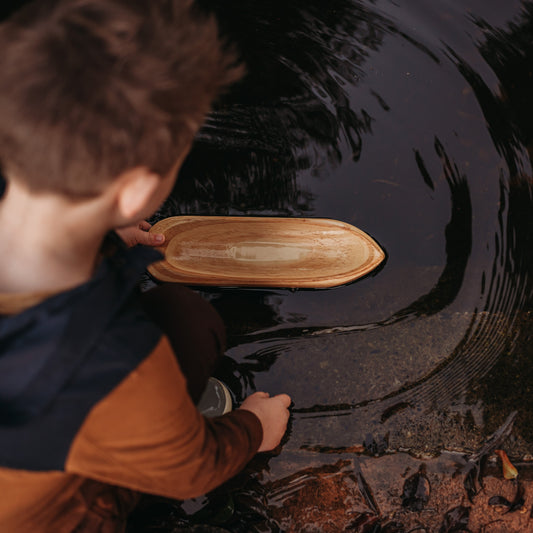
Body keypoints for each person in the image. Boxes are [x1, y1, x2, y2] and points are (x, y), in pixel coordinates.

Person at [0, 0, 291, 532]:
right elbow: (190, 472)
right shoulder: (113, 362)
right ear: (135, 189)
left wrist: (103, 235)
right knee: (192, 323)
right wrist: (252, 428)